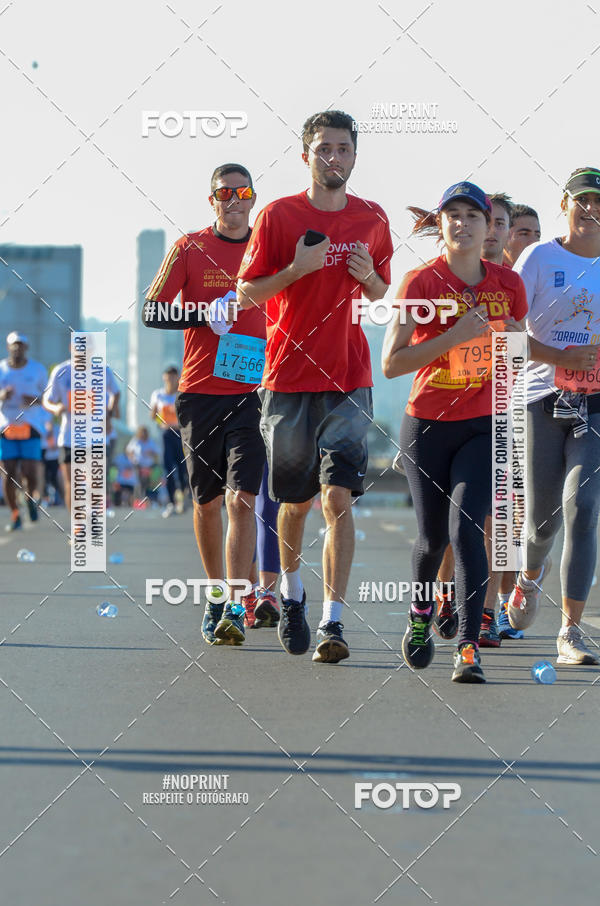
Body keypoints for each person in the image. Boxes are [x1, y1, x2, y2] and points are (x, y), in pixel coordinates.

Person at [237, 109, 393, 664]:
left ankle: (333, 622)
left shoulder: (373, 219)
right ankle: (292, 594)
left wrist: (367, 276)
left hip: (349, 380)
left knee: (338, 499)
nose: (334, 158)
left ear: (355, 155)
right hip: (286, 380)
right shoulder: (279, 216)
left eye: (343, 149)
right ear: (306, 156)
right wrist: (296, 270)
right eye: (324, 148)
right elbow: (248, 294)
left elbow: (380, 295)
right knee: (295, 504)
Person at [382, 181, 528, 683]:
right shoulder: (418, 283)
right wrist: (453, 336)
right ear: (440, 226)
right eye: (453, 215)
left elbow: (517, 352)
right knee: (431, 539)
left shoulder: (508, 285)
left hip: (484, 424)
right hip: (427, 424)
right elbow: (391, 363)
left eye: (473, 215)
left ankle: (467, 646)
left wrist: (513, 343)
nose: (462, 223)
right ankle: (420, 614)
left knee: (467, 528)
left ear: (491, 228)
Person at [143, 163, 271, 646]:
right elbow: (151, 310)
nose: (235, 200)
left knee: (243, 499)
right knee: (207, 502)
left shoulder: (268, 248)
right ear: (212, 199)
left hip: (255, 393)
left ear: (253, 198)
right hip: (200, 393)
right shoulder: (189, 247)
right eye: (225, 193)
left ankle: (237, 606)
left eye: (244, 191)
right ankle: (217, 594)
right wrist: (202, 312)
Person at [507, 167, 600, 666]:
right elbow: (508, 335)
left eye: (599, 202)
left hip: (597, 403)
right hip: (541, 398)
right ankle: (528, 576)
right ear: (565, 204)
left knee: (582, 509)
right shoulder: (539, 258)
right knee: (542, 523)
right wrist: (558, 356)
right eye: (582, 201)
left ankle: (569, 632)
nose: (592, 211)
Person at [43, 354, 120, 533]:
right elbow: (47, 399)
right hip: (70, 437)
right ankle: (77, 525)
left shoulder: (102, 370)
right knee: (73, 482)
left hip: (96, 436)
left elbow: (115, 392)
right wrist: (56, 408)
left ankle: (92, 515)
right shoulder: (61, 371)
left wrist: (109, 414)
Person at [0, 332, 48, 531]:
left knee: (30, 472)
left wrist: (34, 399)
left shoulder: (37, 369)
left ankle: (30, 499)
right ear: (8, 347)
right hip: (6, 427)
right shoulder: (1, 369)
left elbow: (48, 398)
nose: (17, 348)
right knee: (9, 473)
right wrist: (2, 395)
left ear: (26, 348)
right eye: (14, 345)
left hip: (31, 426)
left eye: (20, 345)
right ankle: (15, 514)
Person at [150, 366, 188, 517]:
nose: (170, 381)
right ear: (164, 378)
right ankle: (172, 502)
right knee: (168, 468)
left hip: (180, 434)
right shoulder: (158, 395)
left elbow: (187, 415)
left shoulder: (181, 394)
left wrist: (178, 425)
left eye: (173, 377)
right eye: (168, 377)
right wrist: (162, 422)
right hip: (166, 434)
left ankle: (183, 496)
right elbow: (153, 416)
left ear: (177, 378)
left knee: (182, 468)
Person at [125, 426, 160, 500]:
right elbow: (129, 451)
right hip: (138, 465)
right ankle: (137, 498)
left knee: (148, 483)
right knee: (138, 482)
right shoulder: (135, 441)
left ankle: (147, 498)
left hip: (148, 466)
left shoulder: (151, 442)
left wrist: (151, 453)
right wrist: (132, 458)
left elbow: (157, 453)